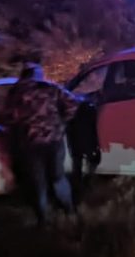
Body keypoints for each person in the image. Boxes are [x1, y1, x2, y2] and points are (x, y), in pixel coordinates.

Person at [5, 63, 80, 226]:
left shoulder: (15, 92)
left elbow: (9, 118)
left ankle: (43, 219)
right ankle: (70, 211)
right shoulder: (49, 87)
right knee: (58, 177)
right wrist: (62, 122)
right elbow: (73, 103)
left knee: (38, 182)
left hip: (30, 143)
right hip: (54, 139)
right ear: (36, 73)